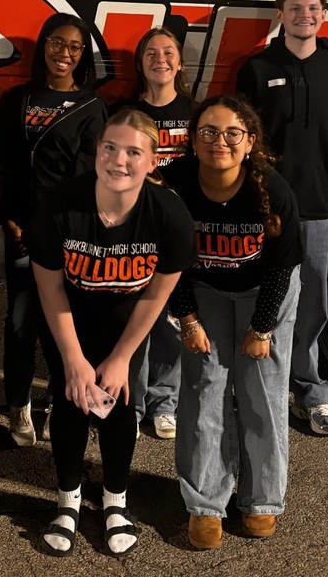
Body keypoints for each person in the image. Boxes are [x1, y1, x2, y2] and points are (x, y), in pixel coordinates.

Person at [29, 109, 195, 559]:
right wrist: (73, 358)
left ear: (153, 161)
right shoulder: (61, 204)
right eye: (110, 148)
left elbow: (156, 296)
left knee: (120, 402)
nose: (119, 160)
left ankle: (115, 501)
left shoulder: (169, 214)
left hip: (127, 320)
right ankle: (67, 501)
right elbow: (49, 285)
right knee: (69, 398)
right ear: (97, 151)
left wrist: (122, 356)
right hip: (68, 314)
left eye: (133, 152)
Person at [163, 95, 303, 550]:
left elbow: (281, 269)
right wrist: (188, 321)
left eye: (230, 133)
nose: (218, 141)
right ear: (193, 140)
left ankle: (262, 501)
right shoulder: (177, 182)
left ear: (249, 143)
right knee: (205, 387)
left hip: (264, 290)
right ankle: (205, 504)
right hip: (203, 290)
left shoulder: (273, 189)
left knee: (261, 388)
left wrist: (261, 330)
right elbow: (172, 262)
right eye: (207, 132)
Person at [236, 0, 328, 436]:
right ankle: (249, 391)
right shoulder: (255, 69)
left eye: (312, 9)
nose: (304, 15)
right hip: (264, 209)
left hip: (319, 212)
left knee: (311, 306)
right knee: (256, 298)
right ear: (280, 14)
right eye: (295, 8)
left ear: (323, 16)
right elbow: (242, 140)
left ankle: (311, 394)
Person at [0, 12, 107, 447]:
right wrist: (7, 217)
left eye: (75, 47)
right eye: (57, 43)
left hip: (64, 236)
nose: (65, 53)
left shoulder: (92, 106)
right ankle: (18, 404)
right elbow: (0, 163)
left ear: (83, 56)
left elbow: (89, 177)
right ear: (43, 46)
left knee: (67, 323)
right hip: (20, 230)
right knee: (20, 322)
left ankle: (62, 399)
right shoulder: (16, 98)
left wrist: (61, 229)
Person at [129, 27, 194, 440]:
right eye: (151, 52)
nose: (160, 59)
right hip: (137, 228)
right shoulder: (126, 113)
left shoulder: (196, 112)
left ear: (180, 62)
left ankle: (164, 402)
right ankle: (130, 405)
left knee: (172, 320)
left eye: (168, 52)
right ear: (141, 63)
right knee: (136, 319)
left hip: (180, 228)